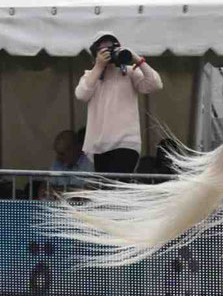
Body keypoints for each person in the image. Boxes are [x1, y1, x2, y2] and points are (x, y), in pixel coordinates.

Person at [75, 31, 163, 173]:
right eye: (103, 50)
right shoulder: (90, 76)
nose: (108, 53)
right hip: (99, 145)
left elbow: (155, 84)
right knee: (106, 192)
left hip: (126, 143)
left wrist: (135, 58)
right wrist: (98, 66)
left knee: (116, 186)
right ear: (95, 54)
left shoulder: (129, 72)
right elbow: (81, 94)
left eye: (111, 49)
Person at [47, 128, 94, 193]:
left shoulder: (90, 162)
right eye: (57, 153)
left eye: (62, 154)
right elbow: (47, 187)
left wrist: (59, 190)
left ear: (76, 148)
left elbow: (90, 191)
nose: (58, 157)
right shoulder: (57, 163)